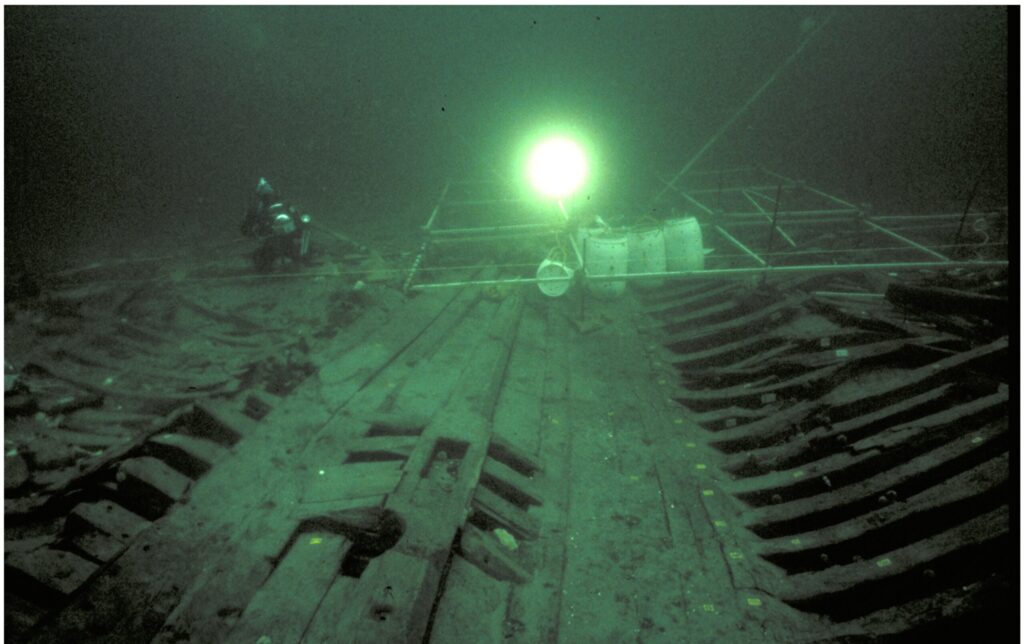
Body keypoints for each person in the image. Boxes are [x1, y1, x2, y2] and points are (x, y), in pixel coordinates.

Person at [241, 177, 313, 271]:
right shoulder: (259, 208)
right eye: (266, 196)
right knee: (264, 259)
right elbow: (247, 227)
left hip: (285, 237)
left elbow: (301, 220)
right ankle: (300, 258)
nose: (269, 198)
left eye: (270, 195)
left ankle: (301, 258)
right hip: (272, 238)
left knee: (299, 248)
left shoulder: (285, 204)